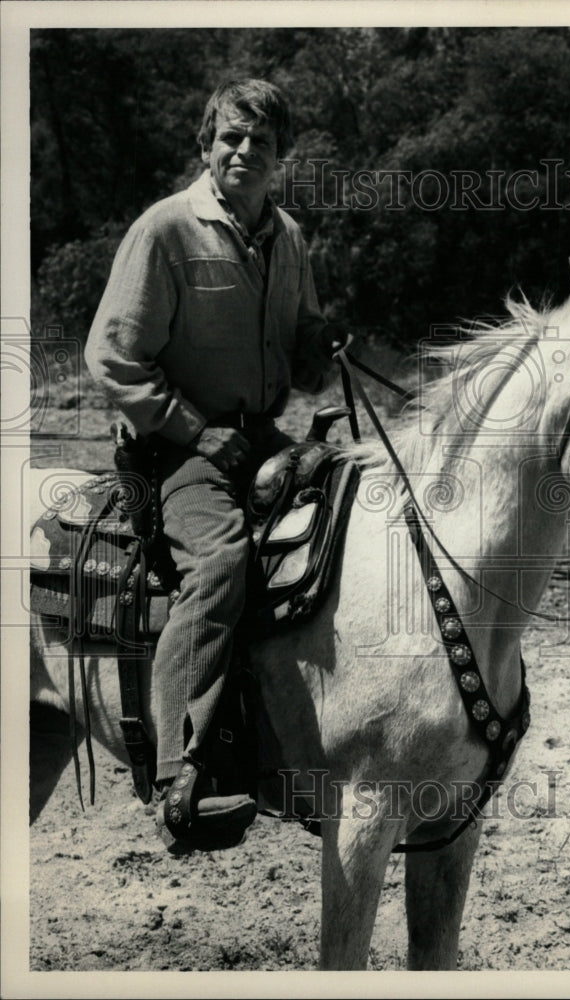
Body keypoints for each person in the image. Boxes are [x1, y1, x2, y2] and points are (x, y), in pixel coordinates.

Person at [85, 79, 343, 846]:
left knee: (355, 509)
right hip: (171, 449)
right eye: (229, 137)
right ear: (206, 146)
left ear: (278, 157)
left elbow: (301, 363)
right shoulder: (166, 229)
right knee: (222, 559)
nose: (243, 151)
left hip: (258, 434)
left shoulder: (287, 236)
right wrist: (193, 431)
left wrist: (321, 348)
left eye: (259, 142)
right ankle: (179, 776)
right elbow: (110, 357)